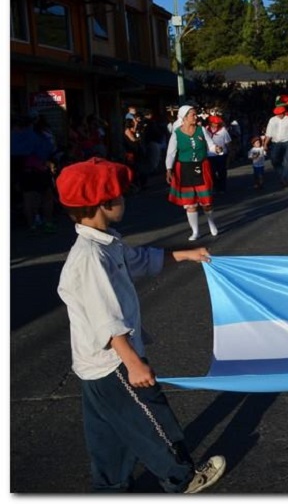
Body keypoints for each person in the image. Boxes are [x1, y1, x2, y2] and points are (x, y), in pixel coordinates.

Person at [54, 157, 226, 493]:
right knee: (152, 418)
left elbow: (142, 261)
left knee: (109, 430)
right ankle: (183, 478)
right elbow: (106, 318)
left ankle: (109, 487)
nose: (124, 200)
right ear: (103, 203)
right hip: (114, 362)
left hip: (94, 366)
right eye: (119, 196)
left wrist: (185, 254)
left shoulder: (105, 243)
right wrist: (133, 362)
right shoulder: (90, 258)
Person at [165, 105, 219, 241]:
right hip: (184, 169)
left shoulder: (201, 130)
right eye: (193, 115)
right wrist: (168, 169)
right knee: (190, 203)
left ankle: (211, 222)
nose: (196, 117)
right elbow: (171, 153)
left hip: (202, 166)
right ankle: (195, 231)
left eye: (196, 114)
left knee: (206, 201)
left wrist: (216, 149)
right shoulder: (177, 133)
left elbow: (210, 145)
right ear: (184, 117)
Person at [263, 105, 288, 189]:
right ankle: (283, 176)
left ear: (284, 113)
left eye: (281, 114)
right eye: (277, 114)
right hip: (276, 143)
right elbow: (269, 133)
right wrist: (265, 144)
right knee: (274, 160)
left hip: (287, 142)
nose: (279, 115)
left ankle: (285, 179)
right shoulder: (272, 120)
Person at [205, 115, 231, 193]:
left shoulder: (223, 130)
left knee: (222, 171)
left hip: (222, 154)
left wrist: (230, 152)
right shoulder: (205, 129)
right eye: (214, 123)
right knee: (212, 172)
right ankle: (216, 185)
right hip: (210, 155)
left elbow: (228, 142)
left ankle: (222, 188)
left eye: (217, 123)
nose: (216, 124)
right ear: (210, 123)